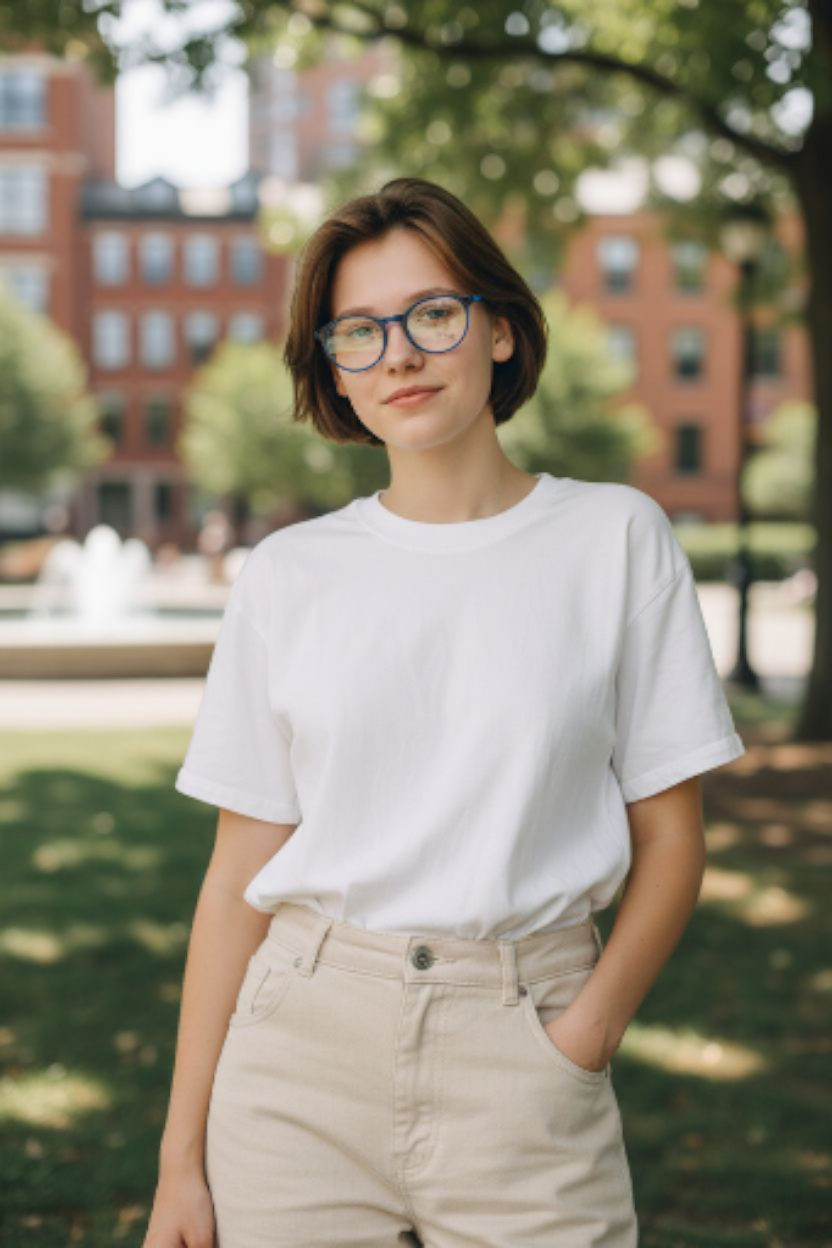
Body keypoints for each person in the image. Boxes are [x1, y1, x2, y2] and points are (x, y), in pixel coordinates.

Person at [142, 176, 746, 1248]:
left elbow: (671, 838)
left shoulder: (614, 539)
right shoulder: (289, 575)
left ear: (500, 331)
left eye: (431, 314)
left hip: (526, 1051)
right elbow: (236, 877)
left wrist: (584, 1036)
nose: (399, 357)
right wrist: (180, 1159)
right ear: (332, 367)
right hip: (296, 1061)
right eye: (358, 333)